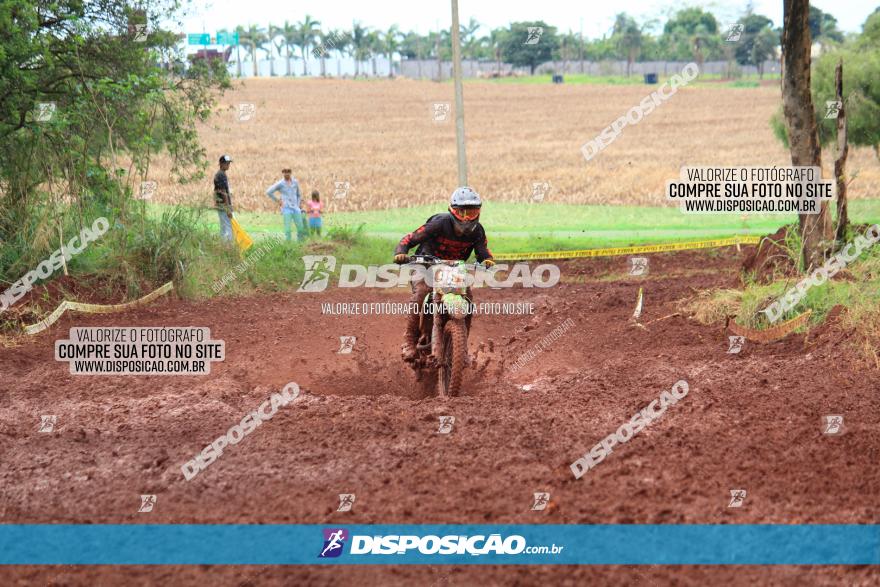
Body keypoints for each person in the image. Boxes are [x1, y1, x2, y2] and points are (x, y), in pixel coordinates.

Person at [393, 187, 495, 361]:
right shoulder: (439, 223)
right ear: (452, 210)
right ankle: (409, 341)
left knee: (468, 301)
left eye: (471, 212)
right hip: (425, 265)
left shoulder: (478, 231)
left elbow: (482, 250)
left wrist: (487, 259)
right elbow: (410, 238)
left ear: (478, 212)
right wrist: (401, 252)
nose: (466, 218)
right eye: (461, 212)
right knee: (422, 293)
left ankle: (461, 350)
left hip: (454, 269)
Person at [265, 168, 305, 242]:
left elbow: (299, 195)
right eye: (285, 172)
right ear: (282, 173)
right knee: (287, 229)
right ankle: (288, 245)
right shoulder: (280, 184)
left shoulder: (295, 182)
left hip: (296, 208)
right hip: (286, 208)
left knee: (300, 228)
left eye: (288, 172)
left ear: (291, 172)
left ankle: (300, 244)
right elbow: (268, 192)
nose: (287, 173)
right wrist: (278, 201)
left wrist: (299, 204)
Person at [214, 155, 233, 241]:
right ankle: (227, 248)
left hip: (221, 205)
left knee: (223, 228)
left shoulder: (221, 174)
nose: (228, 165)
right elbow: (223, 192)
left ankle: (221, 247)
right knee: (228, 228)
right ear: (221, 163)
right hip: (223, 206)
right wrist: (227, 208)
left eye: (229, 163)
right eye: (226, 163)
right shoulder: (221, 175)